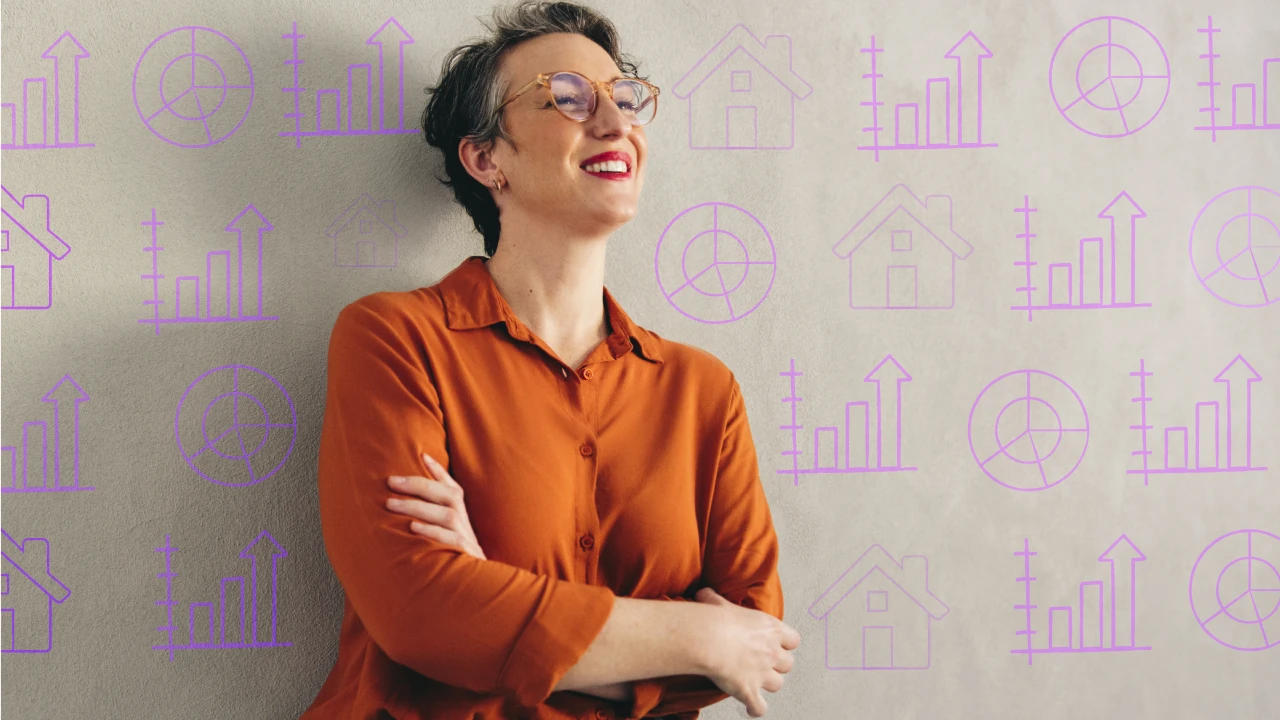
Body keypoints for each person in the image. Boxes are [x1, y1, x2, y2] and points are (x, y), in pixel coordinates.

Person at [301, 3, 800, 719]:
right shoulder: (393, 339)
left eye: (625, 97)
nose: (615, 120)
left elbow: (757, 647)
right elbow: (420, 615)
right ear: (485, 158)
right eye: (567, 97)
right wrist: (696, 634)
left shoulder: (703, 391)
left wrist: (488, 589)